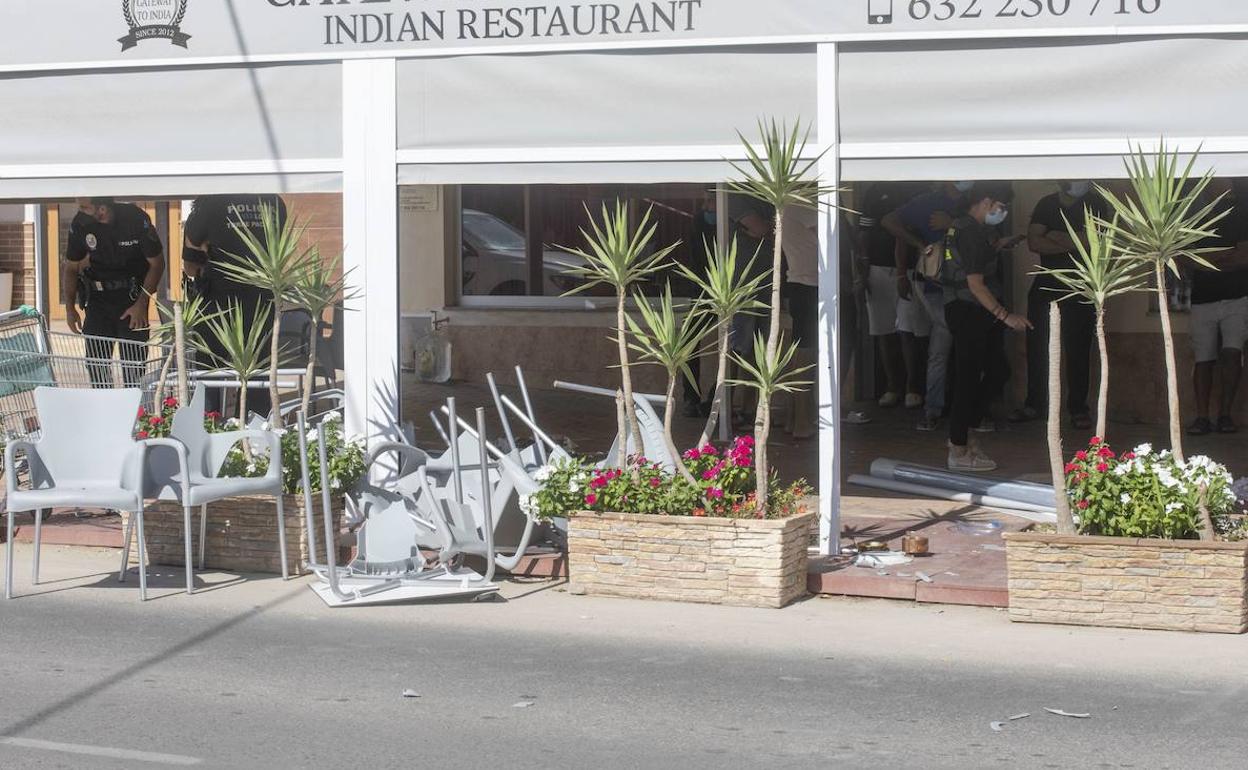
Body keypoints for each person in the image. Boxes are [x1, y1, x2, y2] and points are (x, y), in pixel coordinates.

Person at [940, 184, 1032, 471]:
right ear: (986, 201)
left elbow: (973, 261)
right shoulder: (969, 230)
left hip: (975, 311)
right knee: (967, 378)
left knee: (997, 371)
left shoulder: (969, 229)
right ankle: (958, 447)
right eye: (1001, 206)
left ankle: (966, 431)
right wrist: (1006, 316)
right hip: (968, 310)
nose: (1002, 212)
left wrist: (998, 246)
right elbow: (975, 284)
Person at [183, 194, 288, 419]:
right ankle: (257, 432)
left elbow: (191, 266)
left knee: (209, 373)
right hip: (262, 300)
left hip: (218, 303)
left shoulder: (208, 205)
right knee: (257, 373)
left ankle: (211, 425)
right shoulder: (274, 201)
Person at [1014, 180, 1107, 430]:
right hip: (1045, 286)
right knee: (1037, 347)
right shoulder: (1047, 203)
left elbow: (1091, 243)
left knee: (1078, 350)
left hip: (1081, 286)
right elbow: (1034, 243)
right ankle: (1035, 404)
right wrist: (1073, 239)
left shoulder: (1097, 203)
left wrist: (1053, 235)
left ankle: (1078, 409)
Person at [883, 182, 972, 431]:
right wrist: (919, 245)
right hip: (938, 285)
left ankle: (962, 410)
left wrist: (952, 223)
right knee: (942, 345)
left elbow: (985, 233)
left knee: (959, 347)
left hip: (973, 286)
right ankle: (934, 409)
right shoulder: (927, 202)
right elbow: (889, 222)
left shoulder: (975, 198)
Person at [63, 197, 165, 387]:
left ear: (102, 209)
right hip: (97, 300)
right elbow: (70, 267)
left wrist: (142, 304)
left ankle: (135, 414)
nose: (80, 210)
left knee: (134, 369)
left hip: (132, 298)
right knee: (96, 366)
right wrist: (70, 308)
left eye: (85, 207)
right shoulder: (81, 223)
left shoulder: (134, 218)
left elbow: (157, 264)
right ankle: (104, 411)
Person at [1187, 179, 1248, 435]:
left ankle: (1225, 415)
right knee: (1203, 359)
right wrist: (1225, 255)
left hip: (1237, 297)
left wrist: (1208, 260)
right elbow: (1185, 258)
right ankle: (1202, 417)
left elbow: (1244, 256)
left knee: (1233, 354)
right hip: (1203, 300)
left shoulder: (1241, 214)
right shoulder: (1193, 217)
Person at [858, 183, 918, 410]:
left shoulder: (916, 189)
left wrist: (903, 271)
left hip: (911, 269)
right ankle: (893, 387)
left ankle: (913, 387)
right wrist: (863, 269)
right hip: (878, 268)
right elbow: (863, 233)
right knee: (883, 331)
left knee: (908, 329)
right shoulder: (873, 191)